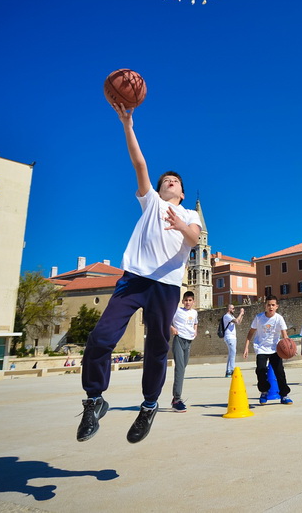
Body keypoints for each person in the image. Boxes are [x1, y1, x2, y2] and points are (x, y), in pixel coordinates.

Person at [76, 103, 203, 444]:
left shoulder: (189, 214)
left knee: (157, 346)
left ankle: (148, 406)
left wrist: (180, 225)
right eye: (166, 181)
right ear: (158, 190)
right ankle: (94, 400)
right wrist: (127, 124)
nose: (170, 182)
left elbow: (194, 239)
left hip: (166, 286)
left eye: (175, 181)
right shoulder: (151, 202)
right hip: (133, 279)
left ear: (182, 193)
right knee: (101, 337)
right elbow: (140, 162)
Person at [243, 295, 293, 404]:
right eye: (269, 305)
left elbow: (285, 335)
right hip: (261, 348)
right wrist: (246, 347)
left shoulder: (279, 318)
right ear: (265, 306)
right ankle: (264, 391)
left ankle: (284, 395)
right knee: (260, 370)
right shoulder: (259, 318)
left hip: (275, 349)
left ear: (277, 306)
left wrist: (290, 348)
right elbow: (251, 332)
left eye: (273, 305)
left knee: (280, 372)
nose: (271, 307)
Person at [169, 290, 198, 412]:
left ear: (193, 302)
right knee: (180, 369)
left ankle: (175, 398)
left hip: (189, 341)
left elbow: (195, 323)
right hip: (179, 339)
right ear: (182, 301)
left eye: (190, 300)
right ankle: (177, 399)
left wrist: (195, 331)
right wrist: (172, 328)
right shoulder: (177, 311)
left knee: (183, 367)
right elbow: (165, 319)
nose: (187, 302)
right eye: (186, 300)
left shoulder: (194, 312)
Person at [221, 303, 245, 378]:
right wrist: (240, 313)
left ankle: (228, 371)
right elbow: (236, 321)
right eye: (233, 308)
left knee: (231, 353)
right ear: (229, 309)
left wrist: (242, 314)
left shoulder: (231, 316)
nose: (234, 310)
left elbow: (238, 322)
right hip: (229, 337)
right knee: (233, 352)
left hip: (233, 337)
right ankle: (232, 370)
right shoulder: (227, 316)